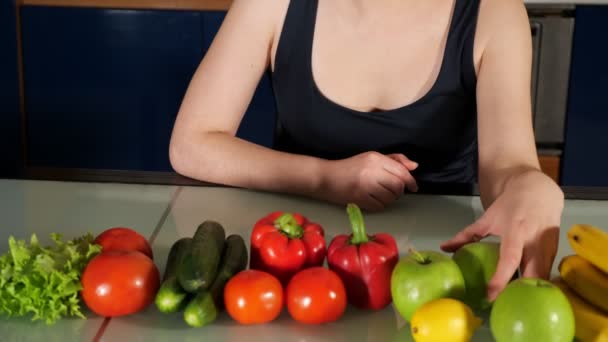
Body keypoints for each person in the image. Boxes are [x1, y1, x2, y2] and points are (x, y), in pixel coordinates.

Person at [169, 0, 563, 302]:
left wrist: (531, 185)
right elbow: (192, 143)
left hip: (441, 261)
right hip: (299, 259)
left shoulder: (495, 12)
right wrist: (325, 178)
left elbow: (508, 167)